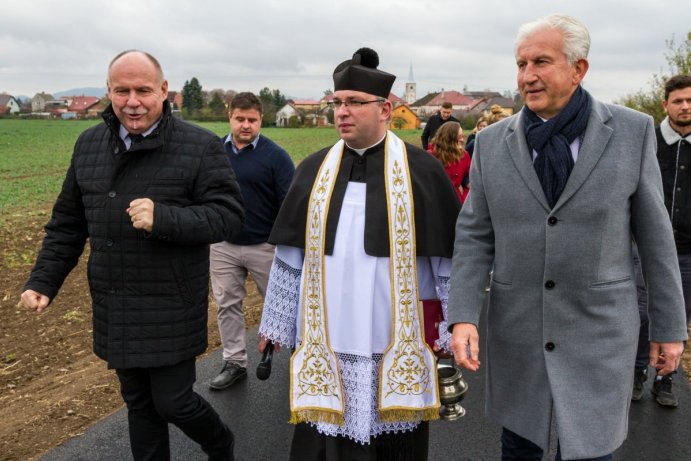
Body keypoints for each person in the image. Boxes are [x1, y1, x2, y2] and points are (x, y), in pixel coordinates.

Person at [447, 14, 688, 461]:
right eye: (521, 63)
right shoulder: (493, 143)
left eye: (541, 61)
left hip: (599, 331)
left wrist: (669, 328)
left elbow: (656, 241)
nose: (527, 75)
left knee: (591, 453)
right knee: (520, 446)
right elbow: (475, 236)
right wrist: (462, 314)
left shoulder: (631, 132)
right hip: (518, 330)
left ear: (579, 69)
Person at [20, 50, 244, 461]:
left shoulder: (199, 145)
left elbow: (227, 217)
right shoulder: (89, 145)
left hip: (170, 300)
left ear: (163, 90)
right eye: (121, 91)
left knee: (173, 402)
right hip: (115, 299)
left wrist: (165, 219)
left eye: (142, 90)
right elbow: (68, 223)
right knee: (139, 404)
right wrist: (42, 282)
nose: (132, 101)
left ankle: (219, 441)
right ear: (108, 92)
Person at [258, 47, 460, 461]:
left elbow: (446, 257)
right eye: (337, 103)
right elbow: (292, 254)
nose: (342, 112)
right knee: (325, 436)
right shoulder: (314, 170)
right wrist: (275, 322)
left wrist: (455, 324)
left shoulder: (421, 169)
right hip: (329, 331)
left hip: (394, 329)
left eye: (354, 103)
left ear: (386, 109)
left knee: (394, 438)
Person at [209, 92, 295, 390]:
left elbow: (289, 204)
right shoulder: (213, 153)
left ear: (261, 120)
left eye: (252, 120)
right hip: (222, 245)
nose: (246, 125)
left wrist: (287, 245)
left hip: (265, 246)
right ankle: (234, 362)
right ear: (229, 116)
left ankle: (304, 357)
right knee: (227, 304)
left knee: (286, 305)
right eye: (240, 119)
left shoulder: (276, 157)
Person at [632, 74, 691, 407]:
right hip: (646, 248)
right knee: (642, 313)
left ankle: (666, 379)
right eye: (679, 100)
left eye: (690, 100)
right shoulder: (648, 143)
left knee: (679, 318)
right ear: (665, 104)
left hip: (688, 251)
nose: (685, 106)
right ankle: (638, 370)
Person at [428, 121, 471, 204]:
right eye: (459, 137)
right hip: (435, 201)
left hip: (457, 201)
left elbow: (472, 179)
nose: (462, 140)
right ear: (448, 138)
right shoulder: (430, 155)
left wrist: (464, 198)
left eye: (462, 136)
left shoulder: (464, 155)